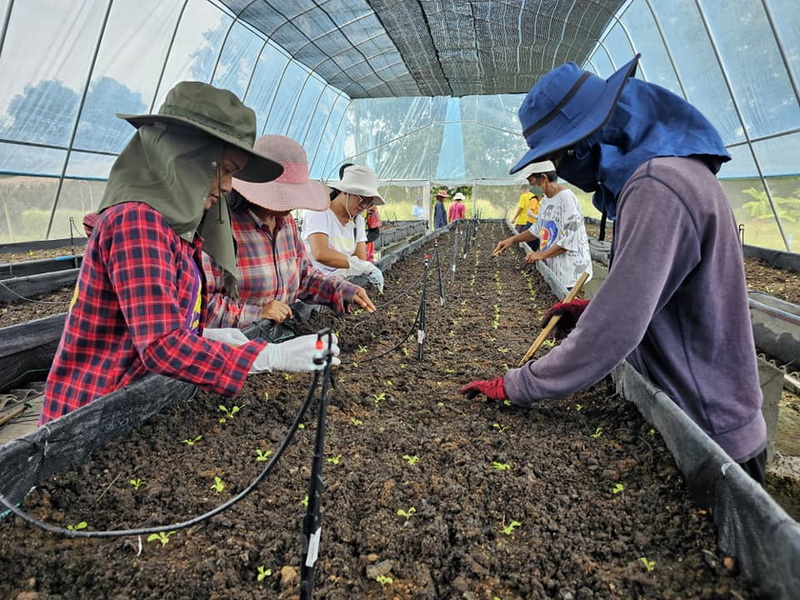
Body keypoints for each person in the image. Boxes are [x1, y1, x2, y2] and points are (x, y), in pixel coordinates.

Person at [461, 55, 767, 487]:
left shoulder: (657, 186)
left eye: (559, 156)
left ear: (587, 142)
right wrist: (590, 311)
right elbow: (656, 295)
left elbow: (616, 331)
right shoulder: (667, 172)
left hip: (710, 437)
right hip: (691, 421)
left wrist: (516, 385)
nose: (560, 170)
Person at [40, 82, 339, 425]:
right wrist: (268, 355)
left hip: (135, 400)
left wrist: (203, 335)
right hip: (92, 414)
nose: (228, 186)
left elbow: (161, 321)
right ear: (187, 157)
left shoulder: (173, 230)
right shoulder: (136, 222)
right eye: (225, 169)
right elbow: (161, 345)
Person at [202, 135, 376, 330]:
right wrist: (258, 314)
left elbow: (302, 277)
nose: (291, 204)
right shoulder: (220, 226)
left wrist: (340, 290)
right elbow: (201, 305)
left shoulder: (286, 224)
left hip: (277, 338)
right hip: (235, 348)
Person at [494, 161, 592, 290]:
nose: (530, 186)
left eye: (531, 181)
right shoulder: (546, 200)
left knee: (568, 308)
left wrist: (541, 254)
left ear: (543, 178)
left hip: (571, 276)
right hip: (554, 271)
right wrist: (512, 239)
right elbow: (537, 230)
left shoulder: (566, 199)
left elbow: (569, 240)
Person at [301, 164, 385, 292]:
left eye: (369, 203)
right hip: (313, 289)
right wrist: (362, 266)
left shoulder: (358, 221)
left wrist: (351, 269)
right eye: (362, 200)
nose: (364, 206)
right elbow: (321, 253)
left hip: (339, 287)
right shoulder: (319, 213)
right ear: (346, 191)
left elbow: (359, 258)